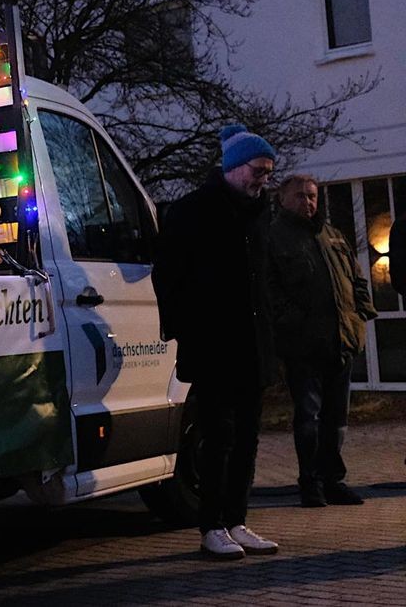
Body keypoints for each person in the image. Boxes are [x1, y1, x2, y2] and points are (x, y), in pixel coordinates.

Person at [153, 124, 280, 560]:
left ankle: (236, 520)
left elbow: (266, 277)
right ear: (234, 167)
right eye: (258, 170)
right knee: (218, 436)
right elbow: (168, 276)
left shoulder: (259, 213)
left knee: (247, 437)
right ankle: (212, 525)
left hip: (252, 345)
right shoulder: (193, 212)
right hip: (214, 348)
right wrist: (190, 329)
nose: (264, 179)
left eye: (268, 172)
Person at [265, 174, 376, 507]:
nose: (308, 202)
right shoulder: (274, 238)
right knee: (309, 416)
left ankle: (333, 479)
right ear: (282, 199)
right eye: (300, 196)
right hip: (304, 346)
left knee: (336, 418)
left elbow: (357, 278)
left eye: (312, 196)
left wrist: (360, 315)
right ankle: (310, 482)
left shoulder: (332, 235)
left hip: (340, 340)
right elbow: (270, 291)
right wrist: (292, 323)